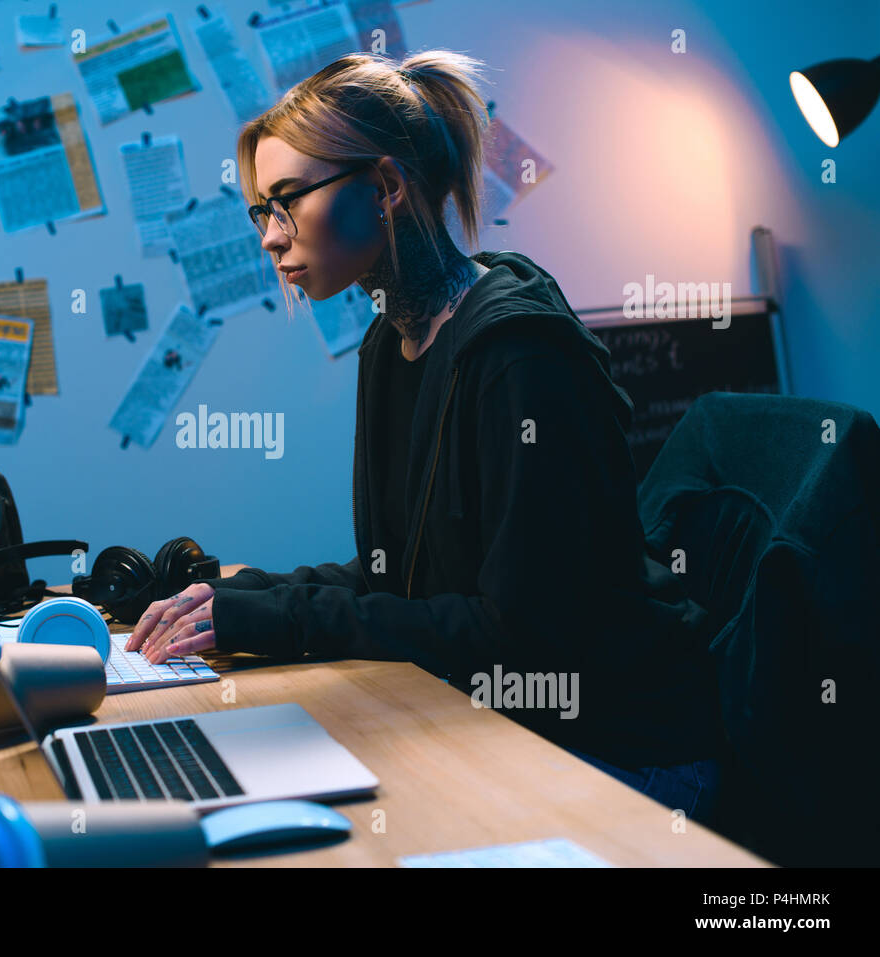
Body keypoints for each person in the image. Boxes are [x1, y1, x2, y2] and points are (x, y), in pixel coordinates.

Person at [125, 51, 725, 827]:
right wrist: (228, 599)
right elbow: (399, 578)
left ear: (383, 189)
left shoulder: (520, 358)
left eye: (285, 202)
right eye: (261, 212)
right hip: (508, 722)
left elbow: (514, 637)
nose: (270, 240)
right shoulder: (392, 342)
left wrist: (276, 618)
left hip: (628, 752)